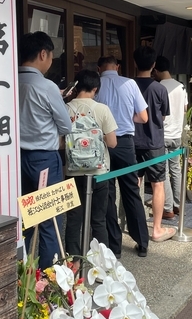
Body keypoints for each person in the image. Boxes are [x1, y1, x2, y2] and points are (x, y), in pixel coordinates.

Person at [19, 31, 72, 270]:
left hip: (16, 159)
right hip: (44, 160)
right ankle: (49, 278)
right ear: (43, 54)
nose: (51, 61)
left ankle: (25, 274)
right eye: (51, 56)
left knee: (25, 220)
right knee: (49, 221)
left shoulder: (8, 80)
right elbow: (66, 126)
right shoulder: (47, 85)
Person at [95, 55, 150, 258]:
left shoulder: (96, 85)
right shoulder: (130, 84)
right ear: (117, 67)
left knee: (107, 194)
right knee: (131, 192)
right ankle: (142, 242)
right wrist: (127, 117)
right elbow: (144, 117)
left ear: (99, 68)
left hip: (103, 143)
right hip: (126, 144)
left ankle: (114, 246)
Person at [65, 69, 117, 260]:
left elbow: (61, 143)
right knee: (98, 219)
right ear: (95, 88)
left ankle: (73, 264)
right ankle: (101, 263)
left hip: (72, 171)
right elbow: (112, 143)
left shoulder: (66, 108)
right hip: (99, 171)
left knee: (73, 219)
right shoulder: (102, 109)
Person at [133, 46, 175, 243]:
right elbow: (164, 116)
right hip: (154, 142)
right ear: (153, 66)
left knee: (134, 183)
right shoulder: (160, 89)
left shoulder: (128, 86)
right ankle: (156, 229)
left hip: (132, 141)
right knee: (158, 184)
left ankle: (133, 224)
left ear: (135, 63)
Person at [153, 55, 188, 218]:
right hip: (177, 134)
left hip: (163, 135)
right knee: (176, 170)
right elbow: (185, 108)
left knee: (163, 171)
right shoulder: (181, 87)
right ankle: (179, 205)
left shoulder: (158, 87)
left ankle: (167, 208)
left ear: (156, 70)